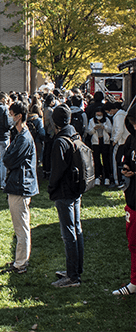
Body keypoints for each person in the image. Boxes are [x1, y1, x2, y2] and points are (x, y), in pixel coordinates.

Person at [48, 104, 84, 287]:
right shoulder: (75, 134)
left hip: (64, 191)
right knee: (76, 230)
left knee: (68, 233)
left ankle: (72, 277)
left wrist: (51, 188)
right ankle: (76, 269)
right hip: (76, 188)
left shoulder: (60, 141)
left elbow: (57, 171)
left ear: (55, 122)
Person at [2, 101, 39, 274]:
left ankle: (21, 263)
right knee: (19, 225)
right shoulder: (18, 135)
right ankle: (19, 260)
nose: (10, 117)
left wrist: (8, 154)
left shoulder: (24, 137)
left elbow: (9, 159)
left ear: (19, 116)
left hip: (21, 185)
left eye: (11, 114)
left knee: (21, 226)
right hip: (18, 183)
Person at [112, 104, 136, 296]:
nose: (134, 127)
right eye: (132, 123)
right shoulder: (131, 140)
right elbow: (126, 158)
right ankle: (134, 282)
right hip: (132, 200)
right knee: (133, 244)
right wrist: (126, 167)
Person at [86, 107, 112, 187]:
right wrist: (94, 128)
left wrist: (104, 127)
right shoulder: (91, 121)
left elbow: (110, 130)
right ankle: (97, 177)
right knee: (96, 160)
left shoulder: (107, 120)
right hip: (95, 142)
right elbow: (89, 132)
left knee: (106, 160)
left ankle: (107, 177)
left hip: (105, 142)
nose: (99, 114)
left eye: (100, 113)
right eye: (97, 112)